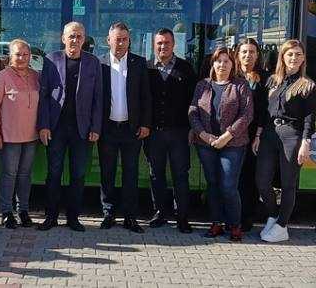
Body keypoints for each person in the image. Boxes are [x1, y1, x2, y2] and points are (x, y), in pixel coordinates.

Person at [36, 22, 102, 232]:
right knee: (53, 173)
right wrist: (43, 125)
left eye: (79, 36)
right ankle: (51, 217)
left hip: (82, 129)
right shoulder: (51, 60)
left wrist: (96, 127)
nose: (75, 40)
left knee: (78, 174)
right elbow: (43, 96)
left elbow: (98, 98)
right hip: (56, 128)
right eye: (71, 36)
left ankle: (73, 218)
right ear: (63, 38)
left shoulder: (93, 62)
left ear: (85, 39)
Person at [189, 47, 252, 242]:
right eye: (218, 61)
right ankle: (216, 223)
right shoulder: (202, 85)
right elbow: (193, 111)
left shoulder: (240, 85)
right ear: (213, 64)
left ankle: (234, 225)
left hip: (233, 145)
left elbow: (247, 115)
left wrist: (227, 136)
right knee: (213, 184)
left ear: (233, 64)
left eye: (226, 61)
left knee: (228, 186)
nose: (222, 65)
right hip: (206, 143)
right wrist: (205, 135)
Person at [257, 40, 316, 243]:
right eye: (290, 54)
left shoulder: (308, 85)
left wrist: (305, 142)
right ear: (283, 56)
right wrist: (257, 135)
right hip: (269, 134)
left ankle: (282, 226)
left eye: (299, 54)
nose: (295, 58)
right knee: (262, 181)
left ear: (303, 59)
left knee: (288, 183)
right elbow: (263, 112)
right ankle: (273, 215)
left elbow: (309, 118)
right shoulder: (272, 80)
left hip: (292, 135)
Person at [98, 22, 151, 233]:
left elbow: (146, 96)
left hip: (132, 129)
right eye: (116, 39)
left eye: (124, 39)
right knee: (107, 173)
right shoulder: (99, 63)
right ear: (108, 40)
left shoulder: (139, 63)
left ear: (129, 41)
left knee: (131, 174)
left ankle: (130, 217)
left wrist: (146, 124)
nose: (120, 43)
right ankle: (108, 214)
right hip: (107, 128)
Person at [144, 28, 196, 234]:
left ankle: (182, 217)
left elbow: (195, 101)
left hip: (180, 133)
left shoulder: (186, 69)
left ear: (174, 45)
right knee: (156, 174)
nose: (163, 46)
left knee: (180, 175)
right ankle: (160, 213)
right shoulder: (146, 68)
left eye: (167, 43)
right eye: (159, 43)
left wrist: (193, 128)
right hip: (154, 133)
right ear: (153, 45)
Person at [0, 39, 40, 229]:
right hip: (8, 137)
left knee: (25, 175)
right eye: (18, 54)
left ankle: (23, 210)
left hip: (31, 136)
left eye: (26, 54)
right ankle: (6, 212)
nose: (22, 58)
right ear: (10, 56)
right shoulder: (1, 77)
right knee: (9, 174)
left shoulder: (35, 76)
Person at [235, 38, 269, 232]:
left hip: (254, 135)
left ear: (258, 55)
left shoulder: (265, 78)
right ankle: (232, 216)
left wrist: (258, 135)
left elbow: (265, 110)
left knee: (250, 177)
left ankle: (247, 218)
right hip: (233, 134)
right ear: (238, 55)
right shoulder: (232, 75)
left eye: (252, 52)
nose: (248, 55)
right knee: (234, 177)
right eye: (244, 52)